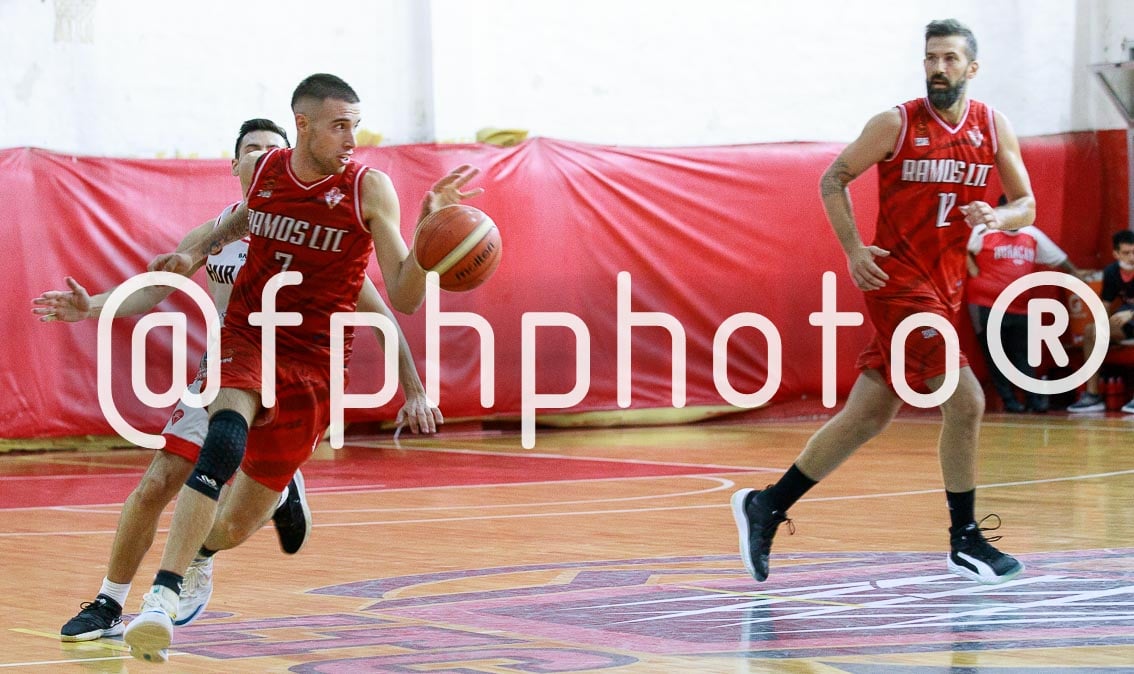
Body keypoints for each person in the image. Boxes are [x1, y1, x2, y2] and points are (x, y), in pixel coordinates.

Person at [33, 118, 442, 643]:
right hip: (228, 368)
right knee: (159, 480)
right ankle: (110, 602)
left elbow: (382, 313)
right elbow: (152, 291)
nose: (263, 156)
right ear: (234, 166)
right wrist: (90, 305)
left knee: (227, 519)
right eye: (252, 150)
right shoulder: (217, 232)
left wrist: (413, 387)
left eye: (275, 148)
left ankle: (234, 523)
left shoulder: (322, 236)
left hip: (296, 375)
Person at [121, 74, 482, 663]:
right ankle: (158, 598)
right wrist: (194, 251)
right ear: (304, 125)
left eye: (356, 126)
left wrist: (428, 232)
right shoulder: (268, 171)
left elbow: (406, 296)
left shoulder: (370, 189)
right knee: (222, 440)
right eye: (340, 126)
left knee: (236, 524)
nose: (351, 139)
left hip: (315, 361)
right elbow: (242, 218)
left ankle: (205, 554)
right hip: (249, 332)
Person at [732, 19, 1035, 587]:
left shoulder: (993, 127)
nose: (937, 68)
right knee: (966, 401)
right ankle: (964, 539)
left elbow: (1026, 204)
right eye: (930, 58)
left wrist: (1000, 217)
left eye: (949, 58)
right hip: (898, 284)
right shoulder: (895, 123)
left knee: (869, 414)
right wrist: (851, 249)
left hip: (944, 288)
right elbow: (833, 178)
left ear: (971, 68)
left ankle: (767, 505)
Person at [966, 195, 1083, 413]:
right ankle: (1009, 401)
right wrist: (973, 271)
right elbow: (961, 248)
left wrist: (1078, 275)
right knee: (994, 354)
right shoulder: (984, 230)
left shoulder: (1032, 234)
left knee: (1024, 355)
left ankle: (1033, 400)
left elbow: (1058, 258)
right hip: (986, 303)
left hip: (1020, 306)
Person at [1065, 230, 1134, 413]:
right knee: (1091, 331)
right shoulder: (1112, 272)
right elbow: (1105, 303)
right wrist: (1100, 326)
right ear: (1116, 254)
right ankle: (1093, 395)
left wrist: (1131, 314)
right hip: (1126, 320)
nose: (1131, 257)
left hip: (1130, 316)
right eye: (1126, 253)